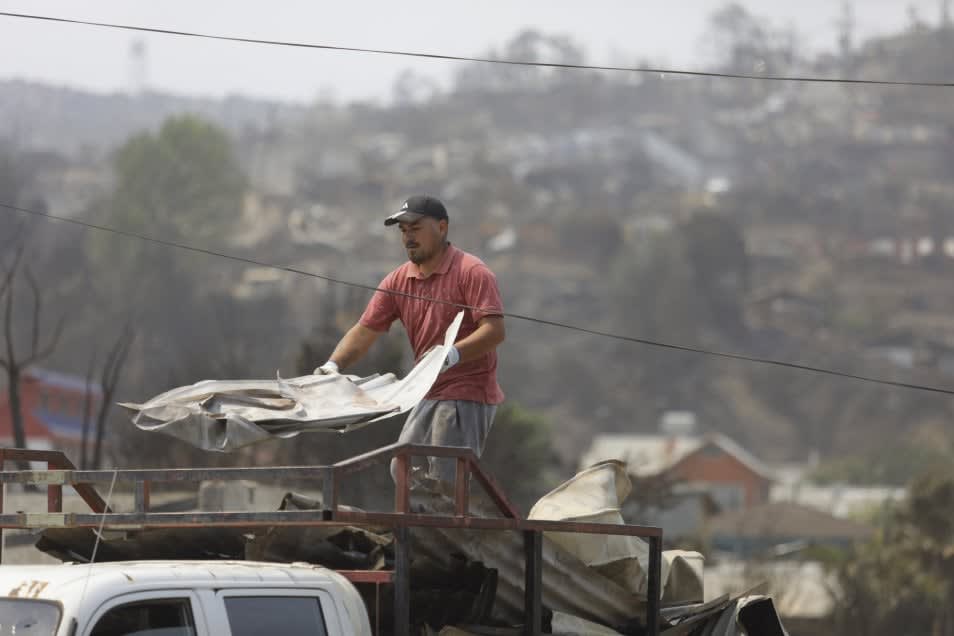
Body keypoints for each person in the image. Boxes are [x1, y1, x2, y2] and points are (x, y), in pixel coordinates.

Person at [316, 195, 506, 487]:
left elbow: (494, 331)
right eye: (403, 231)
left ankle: (443, 528)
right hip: (426, 388)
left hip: (467, 392)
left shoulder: (471, 271)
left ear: (442, 228)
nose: (408, 237)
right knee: (402, 467)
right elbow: (366, 329)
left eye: (415, 228)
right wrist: (332, 365)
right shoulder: (398, 281)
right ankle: (423, 527)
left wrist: (451, 355)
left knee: (445, 475)